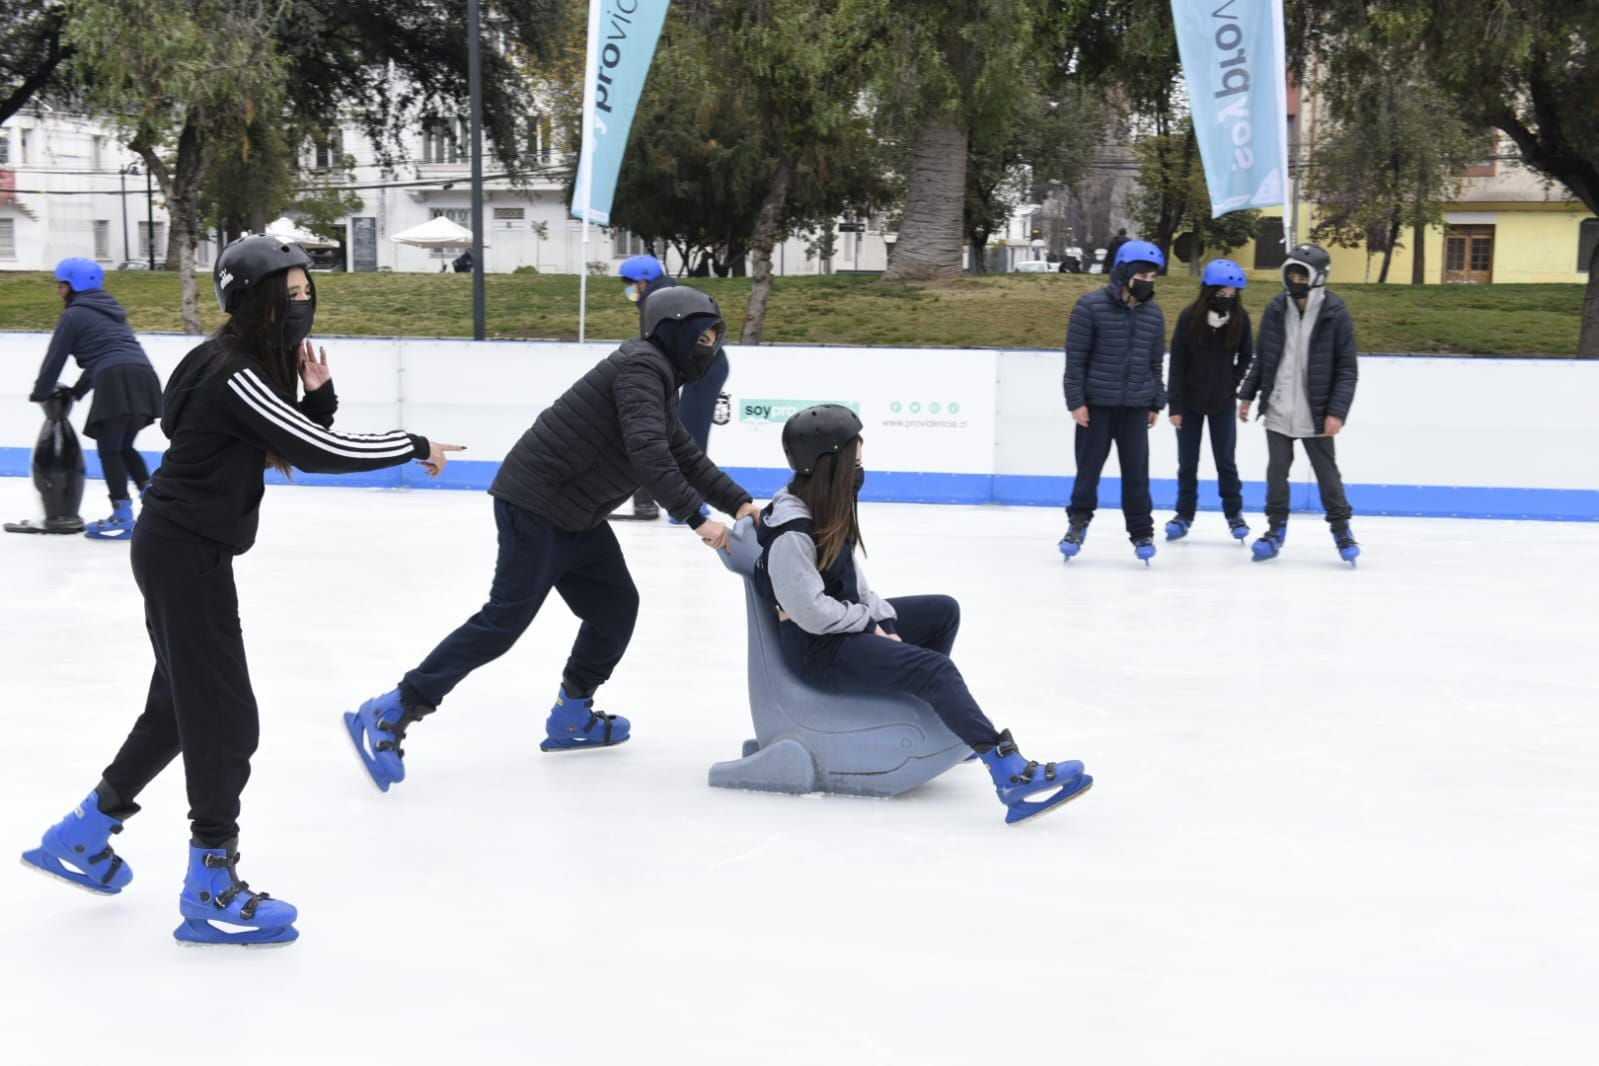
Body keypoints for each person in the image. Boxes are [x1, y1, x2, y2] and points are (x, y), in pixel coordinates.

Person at [20, 235, 462, 946]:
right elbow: (317, 454)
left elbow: (279, 440)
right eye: (285, 292)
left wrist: (319, 397)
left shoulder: (235, 364)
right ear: (250, 299)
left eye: (304, 289)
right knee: (227, 720)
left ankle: (83, 833)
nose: (300, 302)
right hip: (183, 553)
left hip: (183, 549)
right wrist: (410, 444)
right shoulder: (233, 371)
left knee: (177, 710)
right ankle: (210, 883)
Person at [347, 285, 759, 789]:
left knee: (614, 608)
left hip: (578, 514)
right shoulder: (640, 368)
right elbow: (648, 454)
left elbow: (684, 454)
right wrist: (698, 518)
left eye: (716, 337)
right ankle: (392, 709)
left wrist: (740, 503)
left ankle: (572, 716)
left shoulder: (659, 379)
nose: (710, 346)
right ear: (673, 333)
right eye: (702, 336)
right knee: (503, 622)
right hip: (536, 505)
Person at [756, 405, 1093, 825]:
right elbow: (810, 613)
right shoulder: (792, 532)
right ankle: (1010, 774)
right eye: (855, 463)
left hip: (837, 631)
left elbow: (856, 585)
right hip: (817, 651)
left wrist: (886, 625)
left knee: (941, 612)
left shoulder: (825, 509)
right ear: (831, 465)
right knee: (934, 671)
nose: (860, 471)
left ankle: (943, 719)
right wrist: (868, 624)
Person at [1237, 243, 1361, 565]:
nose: (1295, 279)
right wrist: (1247, 395)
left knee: (1327, 475)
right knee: (1276, 473)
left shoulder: (1335, 313)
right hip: (1278, 408)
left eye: (1301, 274)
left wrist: (1337, 412)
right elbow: (1263, 357)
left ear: (1318, 277)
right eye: (1291, 273)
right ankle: (1275, 530)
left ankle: (1342, 531)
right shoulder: (1277, 308)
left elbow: (1347, 370)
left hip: (1317, 412)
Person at [29, 258, 164, 539]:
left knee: (109, 449)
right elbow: (102, 359)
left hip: (116, 378)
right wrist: (77, 393)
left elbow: (55, 359)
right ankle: (159, 509)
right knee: (124, 446)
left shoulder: (73, 316)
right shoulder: (113, 311)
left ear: (70, 287)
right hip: (144, 375)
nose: (59, 291)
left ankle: (123, 515)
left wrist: (41, 393)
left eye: (61, 285)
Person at [1059, 239, 1168, 564]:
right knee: (1088, 471)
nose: (1148, 284)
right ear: (1125, 274)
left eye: (1153, 278)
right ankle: (1077, 523)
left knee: (1137, 473)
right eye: (1143, 277)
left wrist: (1155, 402)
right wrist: (1076, 401)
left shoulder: (1153, 314)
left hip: (1135, 406)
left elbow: (1155, 362)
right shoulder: (1090, 307)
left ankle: (1141, 532)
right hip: (1095, 406)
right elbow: (1075, 360)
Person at [1164, 258, 1253, 543]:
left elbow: (1247, 356)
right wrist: (1174, 405)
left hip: (1222, 403)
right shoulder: (1189, 317)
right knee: (1187, 462)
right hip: (1189, 402)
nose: (1227, 298)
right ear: (1208, 290)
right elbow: (1177, 362)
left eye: (1232, 293)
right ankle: (1183, 515)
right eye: (1222, 292)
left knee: (1226, 461)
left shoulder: (1241, 319)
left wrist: (1232, 383)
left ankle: (1234, 515)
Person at [611, 254, 677, 521]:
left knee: (646, 435)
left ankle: (649, 502)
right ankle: (647, 501)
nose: (627, 288)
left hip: (671, 376)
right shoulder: (664, 295)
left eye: (630, 282)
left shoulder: (657, 301)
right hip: (670, 375)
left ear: (643, 282)